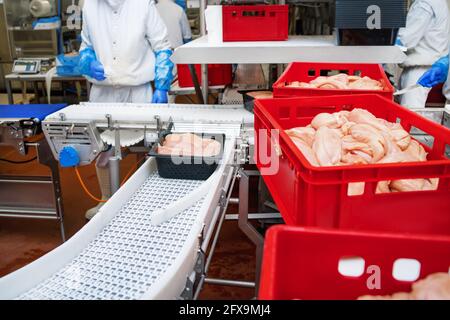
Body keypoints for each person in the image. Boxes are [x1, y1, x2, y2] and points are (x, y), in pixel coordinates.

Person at [78, 0, 174, 220]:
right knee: (102, 150)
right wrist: (87, 60)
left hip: (139, 91)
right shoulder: (90, 6)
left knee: (149, 149)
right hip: (103, 93)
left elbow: (162, 47)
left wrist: (161, 85)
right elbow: (86, 46)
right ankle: (105, 202)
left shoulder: (142, 4)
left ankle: (147, 204)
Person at [396, 0, 450, 109]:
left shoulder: (424, 3)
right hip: (431, 69)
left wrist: (382, 50)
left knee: (410, 118)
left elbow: (405, 40)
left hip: (419, 73)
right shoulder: (439, 2)